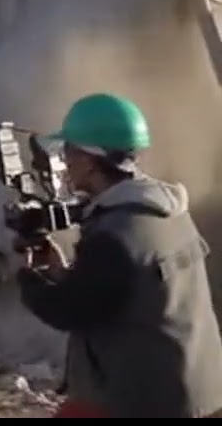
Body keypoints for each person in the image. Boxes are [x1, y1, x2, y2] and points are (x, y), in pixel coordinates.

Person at [16, 93, 222, 418]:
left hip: (145, 403)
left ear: (90, 160)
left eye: (69, 150)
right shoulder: (168, 210)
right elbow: (123, 291)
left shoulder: (115, 234)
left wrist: (28, 279)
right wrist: (64, 275)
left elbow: (69, 312)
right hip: (202, 392)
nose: (65, 161)